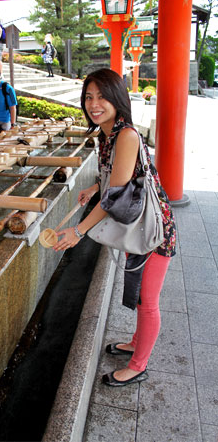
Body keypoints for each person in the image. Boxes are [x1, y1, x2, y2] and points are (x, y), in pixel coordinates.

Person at [54, 68, 177, 387]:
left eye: (102, 96)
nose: (94, 103)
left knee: (147, 300)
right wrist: (94, 188)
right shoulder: (107, 134)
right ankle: (137, 342)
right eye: (89, 97)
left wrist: (77, 232)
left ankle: (139, 365)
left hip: (154, 229)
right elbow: (116, 177)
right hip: (139, 223)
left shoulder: (126, 135)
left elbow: (115, 196)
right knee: (139, 296)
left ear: (117, 98)